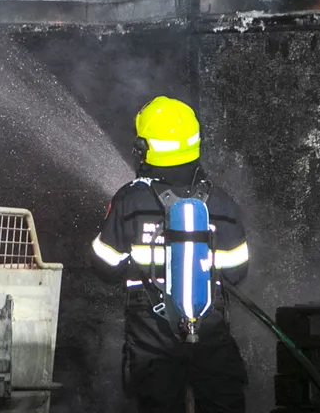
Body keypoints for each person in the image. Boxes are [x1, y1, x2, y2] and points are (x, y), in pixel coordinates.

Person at [91, 96, 250, 413]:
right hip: (210, 334)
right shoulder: (222, 203)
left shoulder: (128, 200)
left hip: (152, 338)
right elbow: (237, 272)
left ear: (145, 147)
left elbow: (105, 267)